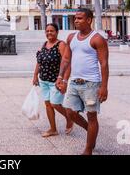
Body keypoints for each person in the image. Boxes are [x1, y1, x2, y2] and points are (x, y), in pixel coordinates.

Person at [56, 9, 109, 155]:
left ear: (89, 20)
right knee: (70, 112)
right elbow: (66, 59)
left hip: (91, 84)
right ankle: (90, 130)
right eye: (75, 18)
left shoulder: (97, 39)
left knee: (91, 115)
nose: (76, 21)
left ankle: (88, 148)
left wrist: (104, 87)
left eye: (79, 18)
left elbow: (104, 64)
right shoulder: (71, 37)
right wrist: (60, 77)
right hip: (74, 82)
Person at [33, 24, 73, 137]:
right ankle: (53, 129)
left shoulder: (61, 45)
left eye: (52, 31)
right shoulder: (44, 44)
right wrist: (35, 75)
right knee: (48, 104)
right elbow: (39, 62)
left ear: (57, 32)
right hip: (44, 80)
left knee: (55, 103)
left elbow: (67, 64)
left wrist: (64, 81)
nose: (49, 33)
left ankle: (70, 118)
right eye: (47, 31)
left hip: (56, 81)